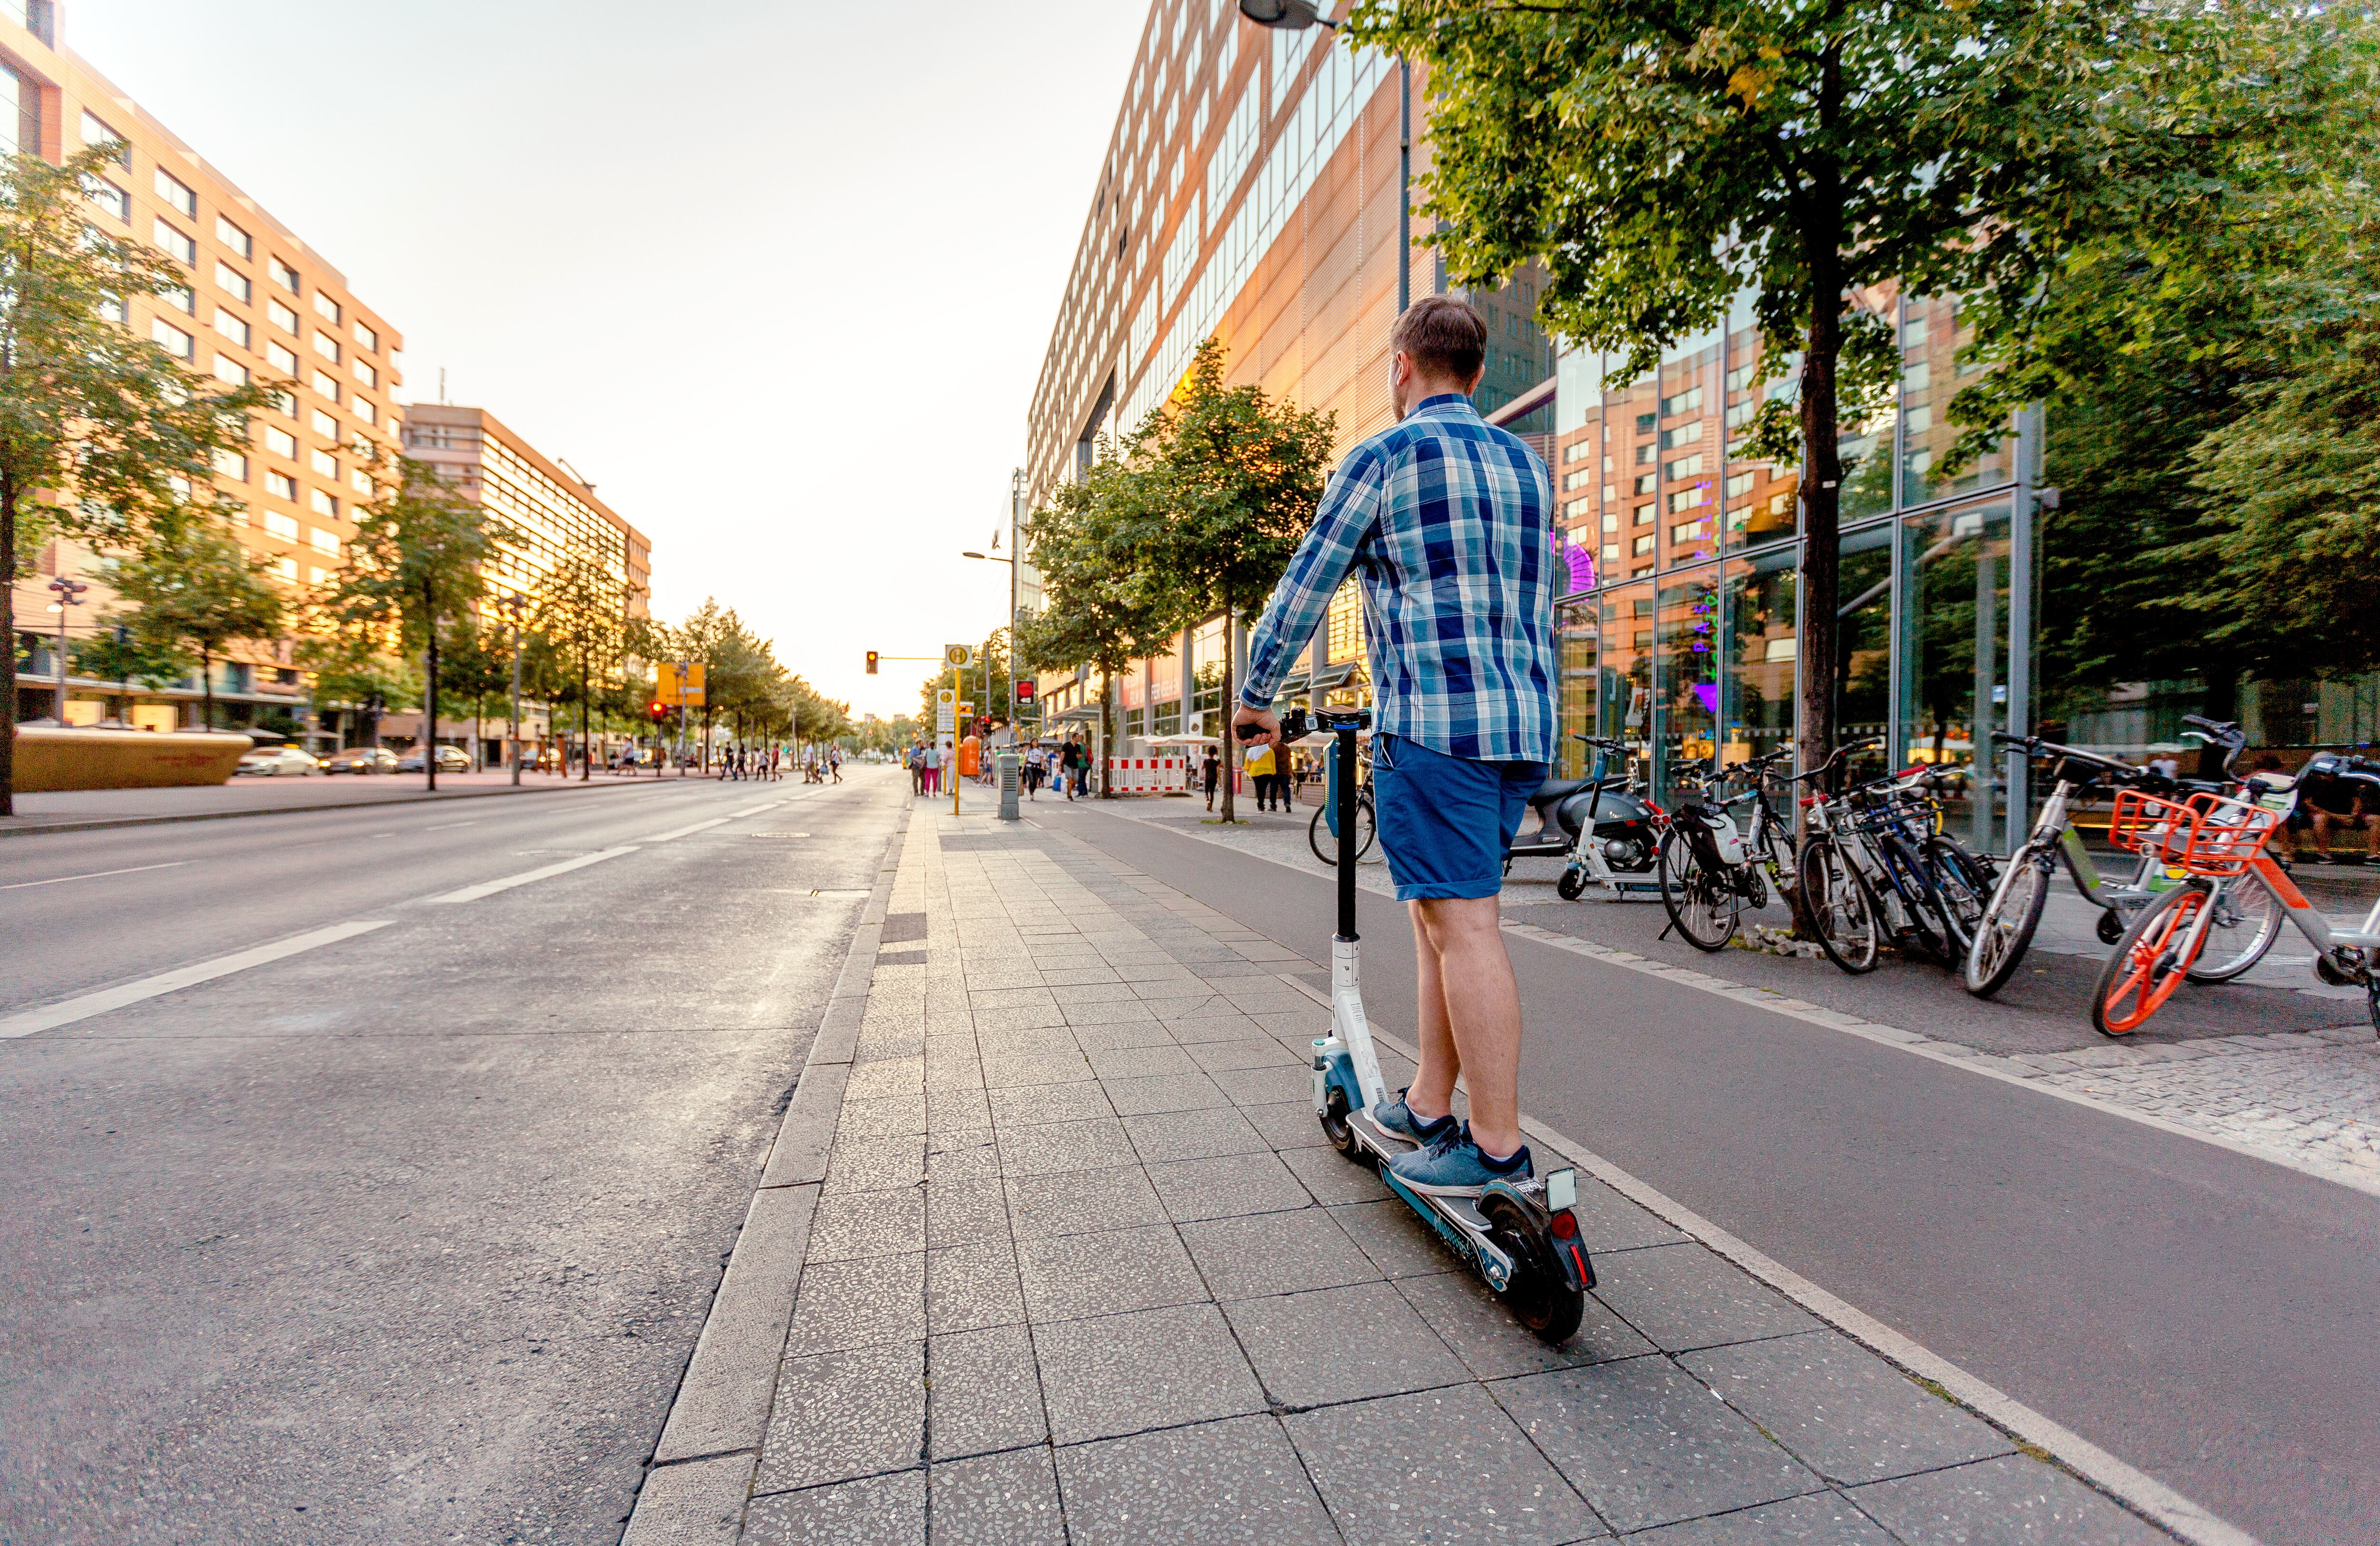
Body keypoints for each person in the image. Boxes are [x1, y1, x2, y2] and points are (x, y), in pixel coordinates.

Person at [1234, 294, 1557, 1197]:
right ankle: (1427, 1101)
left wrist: (1257, 695)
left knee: (1465, 926)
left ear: (1403, 367)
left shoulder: (1388, 455)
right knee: (1439, 919)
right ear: (1479, 371)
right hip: (1519, 729)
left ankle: (1495, 1150)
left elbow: (1306, 585)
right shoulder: (1529, 468)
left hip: (1438, 726)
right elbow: (1544, 601)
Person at [1243, 735, 1277, 812]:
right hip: (1267, 772)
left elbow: (1248, 760)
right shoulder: (1270, 750)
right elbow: (1273, 761)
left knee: (1259, 789)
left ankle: (1261, 806)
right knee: (1264, 788)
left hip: (1256, 772)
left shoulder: (1252, 750)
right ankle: (1261, 804)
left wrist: (1246, 768)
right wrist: (1274, 772)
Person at [1200, 746, 1221, 811]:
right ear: (1215, 753)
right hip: (1214, 779)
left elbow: (1202, 768)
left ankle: (1208, 801)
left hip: (1208, 779)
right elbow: (1218, 771)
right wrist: (1220, 780)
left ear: (1208, 753)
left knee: (1206, 792)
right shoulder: (1217, 762)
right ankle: (1211, 808)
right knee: (1212, 793)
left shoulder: (1206, 761)